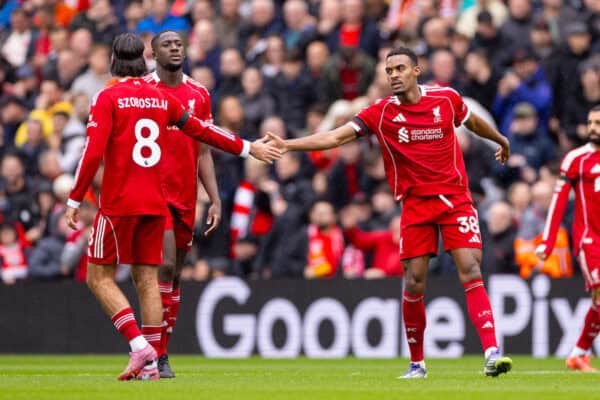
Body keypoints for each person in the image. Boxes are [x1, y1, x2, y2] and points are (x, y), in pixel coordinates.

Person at [266, 46, 513, 378]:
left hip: (455, 199)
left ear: (416, 70)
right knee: (414, 283)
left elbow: (471, 121)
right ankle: (417, 363)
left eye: (399, 68)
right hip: (415, 204)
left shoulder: (445, 99)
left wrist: (500, 140)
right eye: (389, 70)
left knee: (470, 268)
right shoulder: (379, 113)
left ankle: (492, 352)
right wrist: (288, 144)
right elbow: (335, 137)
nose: (393, 75)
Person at [65, 33, 279, 381]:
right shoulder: (161, 98)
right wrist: (247, 148)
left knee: (98, 276)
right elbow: (203, 132)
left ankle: (140, 346)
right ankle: (152, 364)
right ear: (147, 59)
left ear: (113, 63)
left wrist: (74, 199)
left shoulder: (107, 96)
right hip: (155, 200)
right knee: (149, 278)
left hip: (120, 203)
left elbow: (92, 153)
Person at [144, 30, 221, 378]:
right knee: (164, 265)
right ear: (153, 52)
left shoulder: (199, 94)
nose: (174, 48)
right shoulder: (143, 92)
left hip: (185, 195)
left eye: (179, 43)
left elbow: (204, 148)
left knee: (174, 275)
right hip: (150, 193)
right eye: (167, 44)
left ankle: (161, 351)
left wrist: (214, 197)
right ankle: (157, 356)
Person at [536, 105, 600, 372]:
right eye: (590, 122)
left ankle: (578, 354)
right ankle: (578, 353)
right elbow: (558, 201)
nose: (593, 128)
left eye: (598, 123)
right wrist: (548, 242)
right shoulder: (576, 159)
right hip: (590, 239)